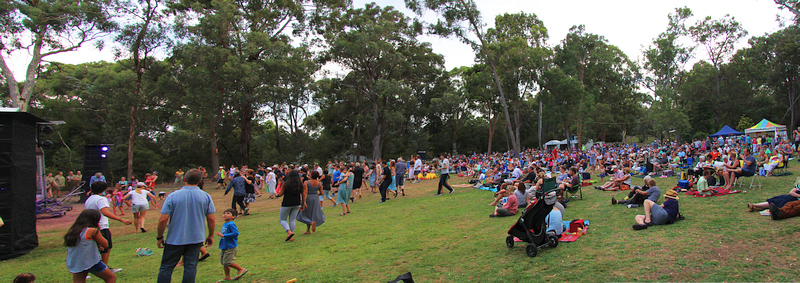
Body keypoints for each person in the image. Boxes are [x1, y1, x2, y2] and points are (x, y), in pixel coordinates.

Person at [156, 169, 216, 283]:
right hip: (196, 238)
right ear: (199, 181)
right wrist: (210, 235)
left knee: (167, 267)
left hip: (175, 238)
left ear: (184, 179)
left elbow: (163, 219)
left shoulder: (173, 196)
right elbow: (211, 218)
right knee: (190, 267)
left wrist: (160, 237)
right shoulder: (205, 196)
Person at [84, 181, 132, 273]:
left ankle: (99, 267)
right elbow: (105, 212)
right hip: (101, 227)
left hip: (91, 226)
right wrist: (121, 219)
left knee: (98, 248)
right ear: (104, 190)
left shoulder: (89, 199)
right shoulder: (101, 199)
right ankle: (104, 269)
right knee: (106, 247)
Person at [64, 209, 116, 283]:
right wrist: (99, 229)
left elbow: (82, 244)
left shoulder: (72, 231)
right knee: (111, 278)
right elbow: (105, 244)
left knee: (79, 281)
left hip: (76, 261)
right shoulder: (92, 231)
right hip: (90, 261)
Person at [215, 209, 248, 282]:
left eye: (227, 213)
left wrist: (224, 235)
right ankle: (227, 276)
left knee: (228, 262)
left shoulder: (231, 224)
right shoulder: (226, 223)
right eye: (224, 213)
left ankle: (241, 269)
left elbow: (235, 233)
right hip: (224, 246)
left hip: (230, 246)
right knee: (224, 262)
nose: (225, 215)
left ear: (234, 216)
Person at [278, 170, 305, 242]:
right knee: (292, 220)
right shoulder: (300, 184)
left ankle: (289, 232)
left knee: (282, 219)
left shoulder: (286, 184)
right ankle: (291, 235)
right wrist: (303, 203)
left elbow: (280, 194)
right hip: (297, 203)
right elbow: (303, 194)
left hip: (286, 203)